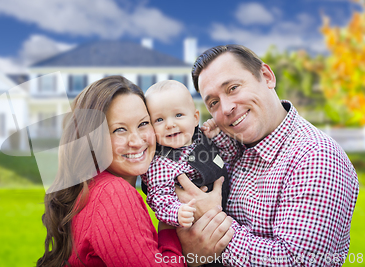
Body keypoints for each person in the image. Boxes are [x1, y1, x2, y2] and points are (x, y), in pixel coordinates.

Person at [177, 44, 359, 266]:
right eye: (213, 102)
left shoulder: (315, 156)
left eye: (233, 88)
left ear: (267, 76)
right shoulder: (231, 148)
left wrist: (211, 226)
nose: (225, 108)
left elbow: (300, 262)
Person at [37, 76, 234, 267]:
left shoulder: (92, 187)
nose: (137, 141)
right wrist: (185, 251)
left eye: (142, 124)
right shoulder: (113, 194)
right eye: (119, 130)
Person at [141, 80, 229, 228]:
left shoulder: (202, 138)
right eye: (159, 119)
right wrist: (177, 212)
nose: (170, 124)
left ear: (195, 118)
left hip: (229, 211)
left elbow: (228, 156)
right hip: (196, 225)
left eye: (178, 115)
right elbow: (159, 198)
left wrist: (217, 135)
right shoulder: (161, 163)